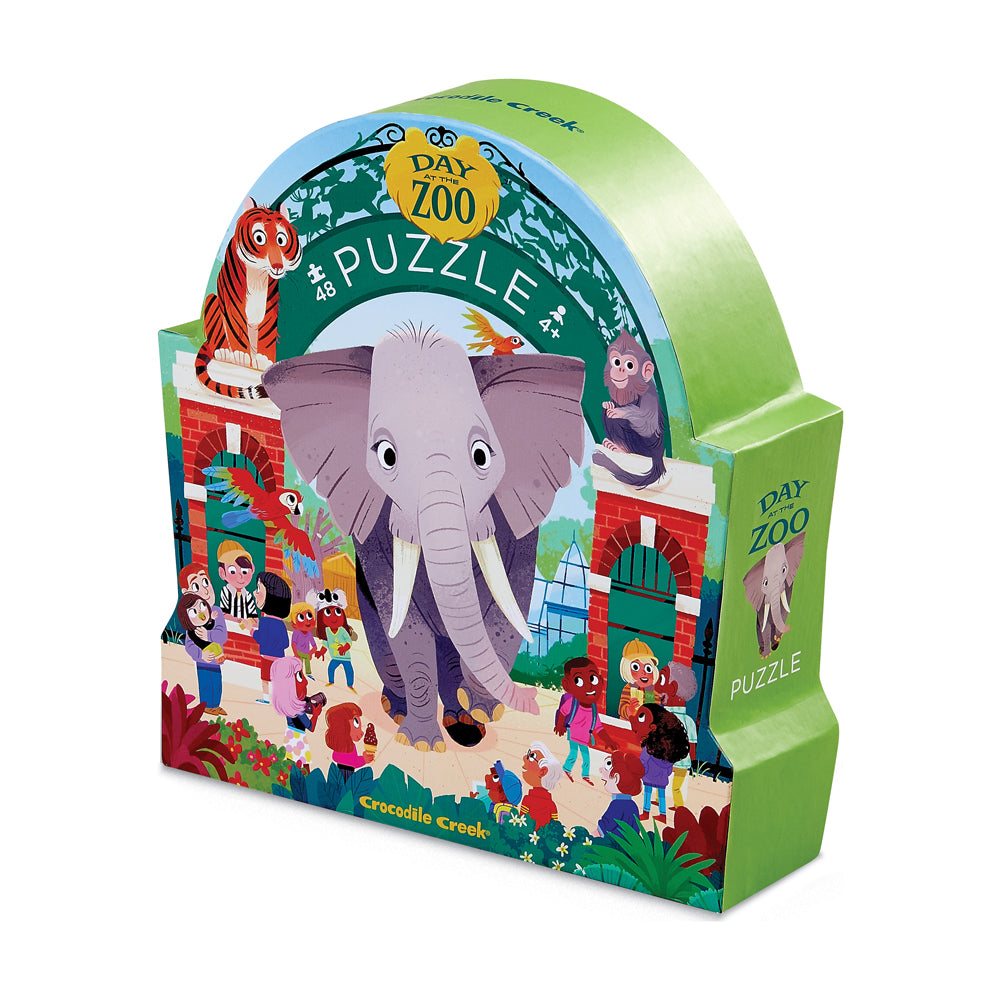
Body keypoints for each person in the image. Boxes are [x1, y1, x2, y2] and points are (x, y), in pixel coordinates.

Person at [554, 656, 616, 785]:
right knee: (573, 754)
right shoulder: (572, 703)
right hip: (573, 734)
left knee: (586, 758)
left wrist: (608, 741)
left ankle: (585, 775)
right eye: (579, 681)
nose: (589, 686)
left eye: (593, 679)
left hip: (584, 737)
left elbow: (599, 728)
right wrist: (560, 726)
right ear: (567, 685)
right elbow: (563, 712)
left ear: (601, 681)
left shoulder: (593, 709)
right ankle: (566, 769)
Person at [177, 564, 228, 716]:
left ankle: (215, 705)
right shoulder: (191, 619)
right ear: (186, 593)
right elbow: (189, 645)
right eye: (196, 586)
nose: (205, 591)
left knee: (217, 682)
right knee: (206, 683)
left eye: (206, 582)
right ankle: (206, 706)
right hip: (203, 660)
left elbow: (222, 635)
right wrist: (200, 655)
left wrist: (208, 635)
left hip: (216, 658)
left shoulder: (216, 612)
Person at [632, 703, 689, 822]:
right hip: (662, 779)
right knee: (661, 795)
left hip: (648, 777)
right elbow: (669, 768)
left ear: (653, 727)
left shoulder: (649, 749)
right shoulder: (668, 751)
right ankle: (663, 815)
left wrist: (641, 772)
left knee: (647, 794)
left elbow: (642, 763)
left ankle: (646, 813)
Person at [657, 661, 700, 809]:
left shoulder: (667, 718)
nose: (657, 686)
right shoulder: (688, 721)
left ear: (674, 688)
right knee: (673, 786)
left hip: (670, 760)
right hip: (678, 761)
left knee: (664, 782)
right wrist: (692, 761)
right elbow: (692, 744)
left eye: (662, 679)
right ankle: (676, 806)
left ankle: (675, 806)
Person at [250, 571, 292, 705]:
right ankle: (280, 699)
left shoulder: (265, 621)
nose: (254, 593)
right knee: (278, 680)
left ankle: (266, 698)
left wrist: (251, 630)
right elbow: (285, 643)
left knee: (265, 679)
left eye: (258, 589)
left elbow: (261, 638)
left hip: (266, 657)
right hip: (279, 658)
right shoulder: (280, 624)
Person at [313, 588, 358, 692]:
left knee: (349, 670)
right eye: (328, 613)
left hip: (345, 657)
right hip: (335, 657)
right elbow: (326, 644)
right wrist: (321, 652)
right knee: (331, 668)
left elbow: (349, 641)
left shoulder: (342, 630)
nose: (333, 617)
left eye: (337, 612)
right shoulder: (327, 631)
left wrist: (344, 648)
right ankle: (331, 681)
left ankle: (350, 684)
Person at [596, 750, 644, 839]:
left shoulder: (617, 804)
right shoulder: (633, 805)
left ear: (616, 778)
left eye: (608, 765)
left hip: (614, 843)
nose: (600, 770)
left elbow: (605, 826)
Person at [324, 702, 376, 778]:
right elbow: (352, 762)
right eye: (356, 724)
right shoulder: (344, 747)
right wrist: (363, 759)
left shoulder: (348, 746)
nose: (362, 732)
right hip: (346, 777)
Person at [519, 741, 562, 830]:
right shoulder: (552, 805)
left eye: (531, 756)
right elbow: (554, 826)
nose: (524, 757)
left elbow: (521, 823)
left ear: (542, 772)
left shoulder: (527, 800)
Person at [216, 540, 258, 627]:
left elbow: (255, 619)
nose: (240, 576)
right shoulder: (226, 591)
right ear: (222, 573)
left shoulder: (248, 595)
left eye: (244, 571)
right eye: (232, 571)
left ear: (252, 570)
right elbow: (224, 615)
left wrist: (250, 622)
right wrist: (239, 621)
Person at [617, 638, 659, 721]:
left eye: (648, 668)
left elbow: (657, 709)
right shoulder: (628, 688)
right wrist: (629, 710)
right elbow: (621, 707)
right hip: (628, 723)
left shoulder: (653, 692)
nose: (643, 672)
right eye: (636, 667)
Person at [289, 601, 323, 680]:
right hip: (299, 653)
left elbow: (314, 646)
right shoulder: (296, 632)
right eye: (301, 617)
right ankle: (298, 674)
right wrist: (296, 653)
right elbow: (293, 644)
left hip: (307, 653)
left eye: (309, 616)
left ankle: (308, 674)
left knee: (307, 666)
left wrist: (311, 653)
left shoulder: (309, 634)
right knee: (299, 666)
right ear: (293, 624)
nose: (307, 621)